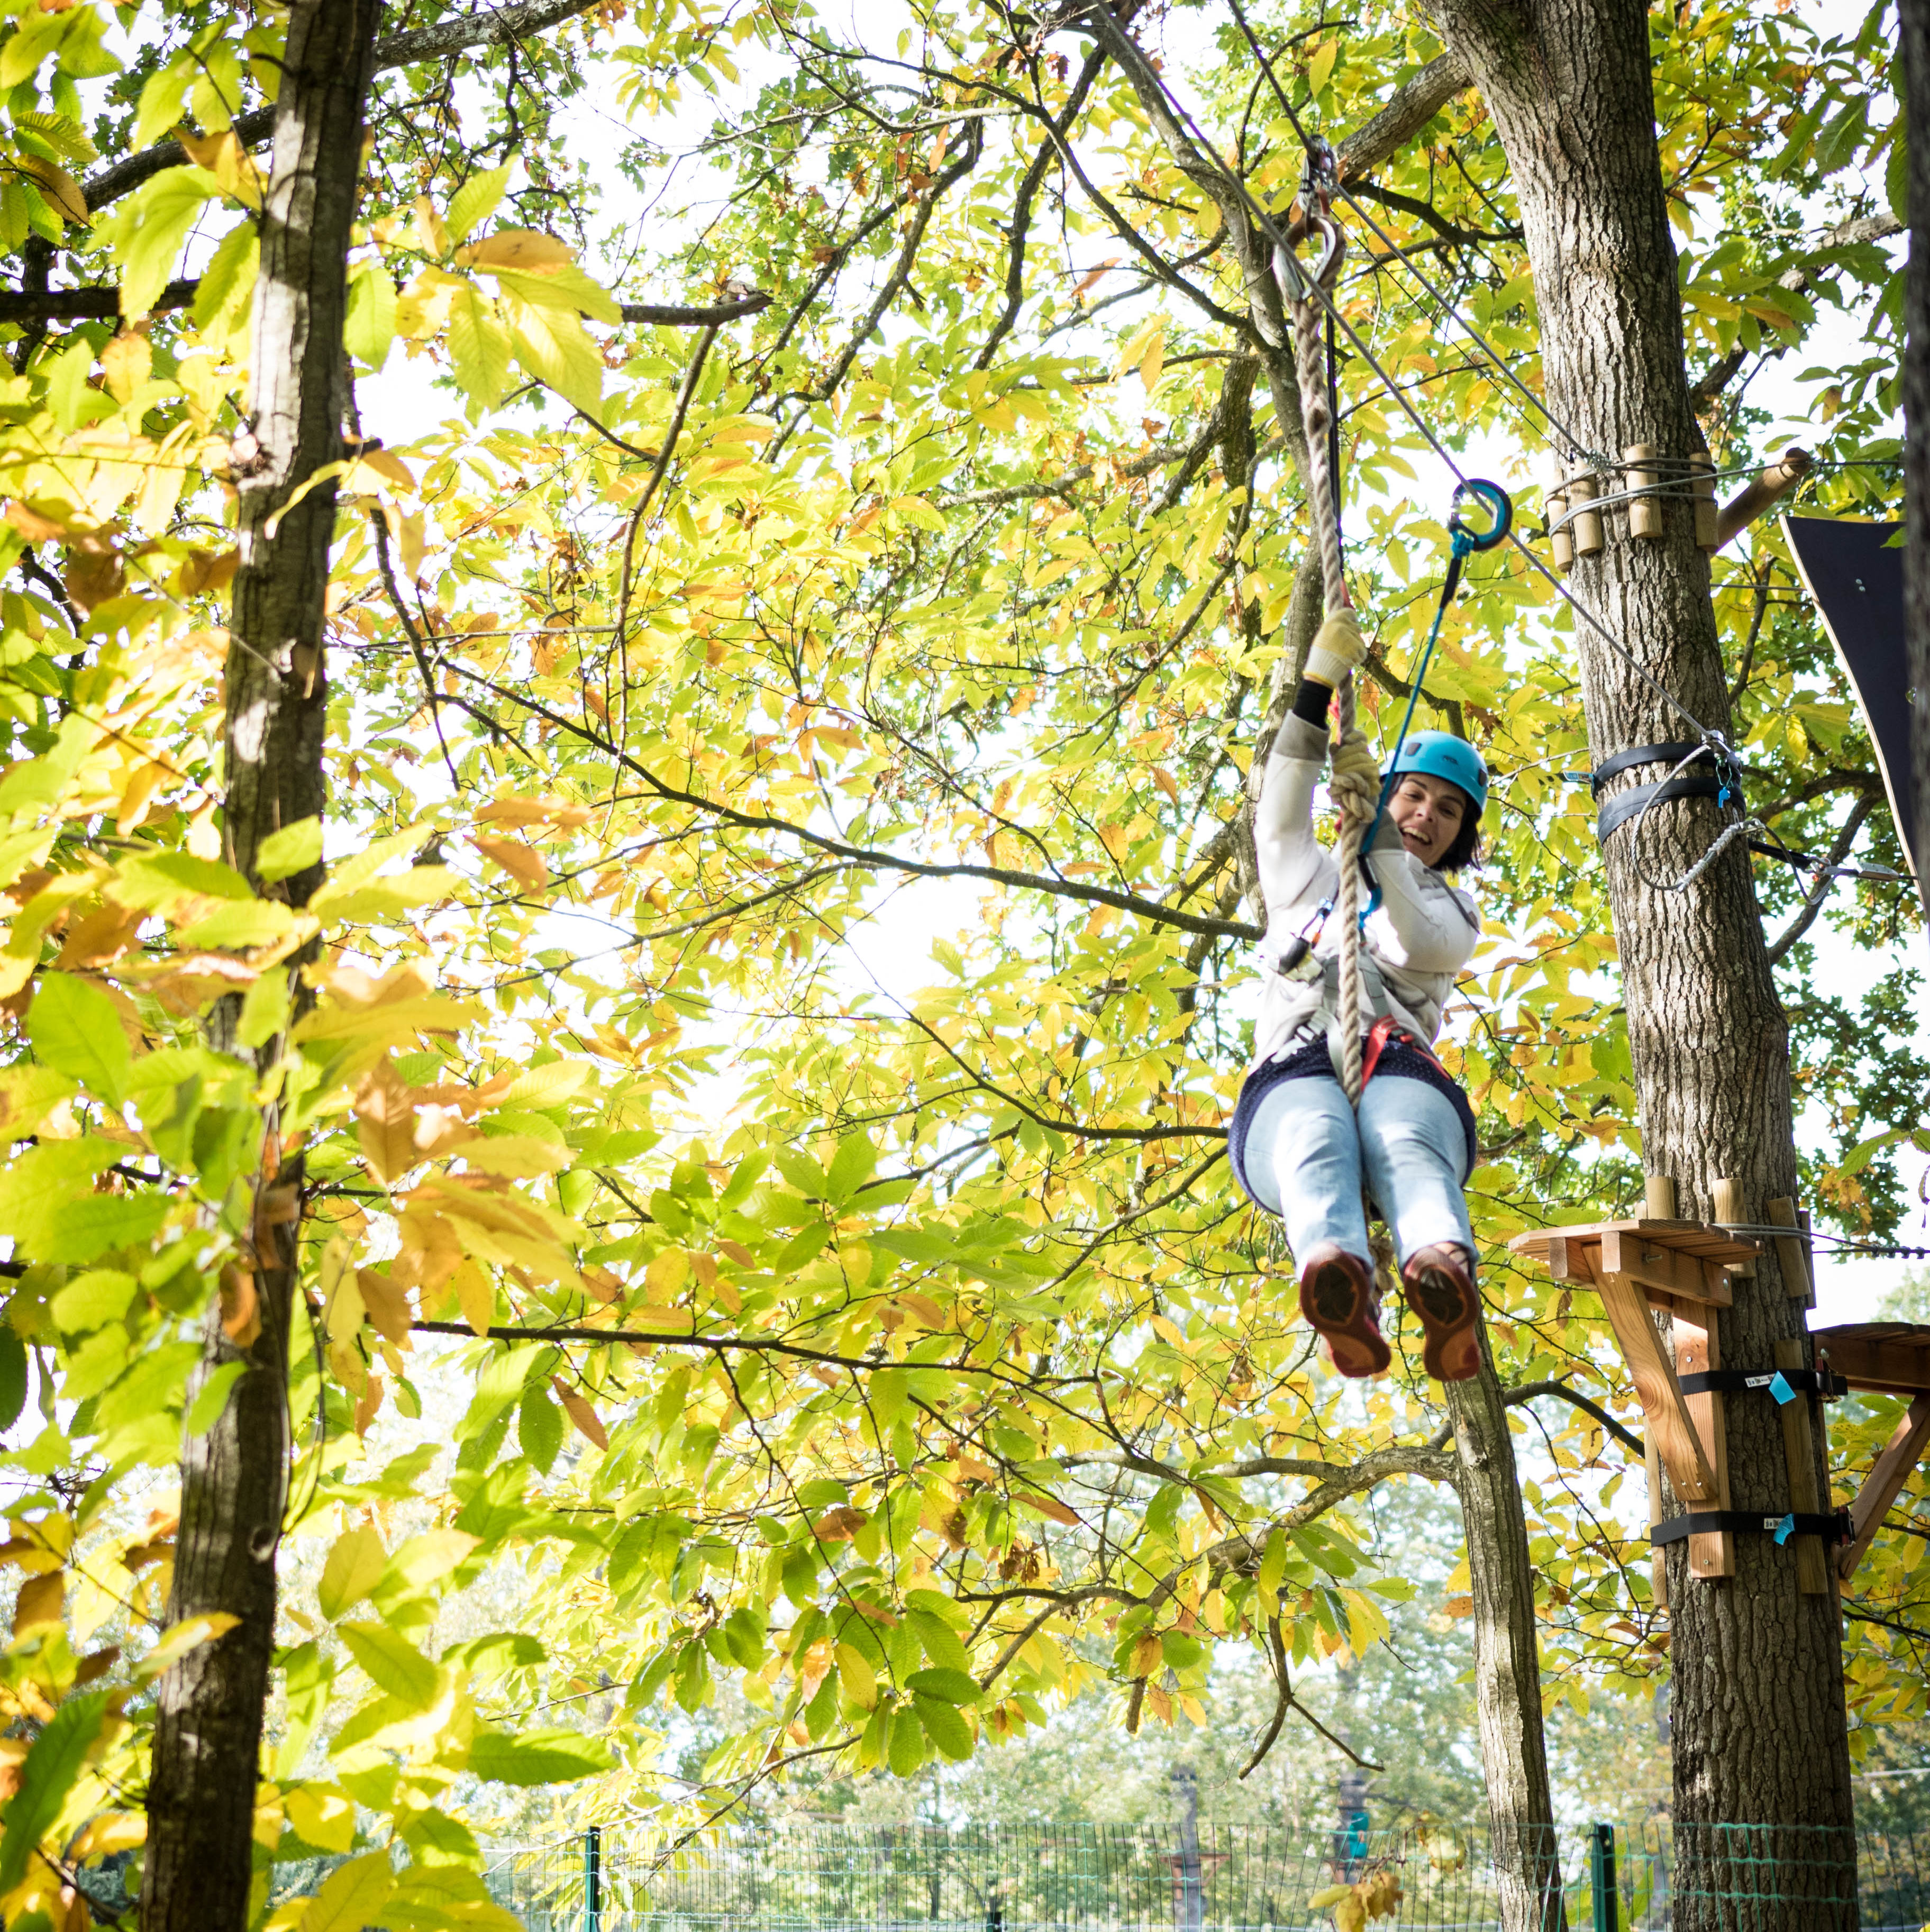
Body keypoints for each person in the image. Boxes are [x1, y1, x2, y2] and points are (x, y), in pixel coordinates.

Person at [1227, 607, 1487, 1382]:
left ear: (1460, 836)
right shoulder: (1307, 879)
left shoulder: (1452, 911)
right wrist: (1315, 690)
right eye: (1413, 796)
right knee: (1313, 1141)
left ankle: (1439, 1267)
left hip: (1398, 1066)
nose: (1425, 816)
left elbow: (1410, 936)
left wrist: (1374, 830)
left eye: (1447, 811)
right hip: (1298, 1062)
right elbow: (1277, 816)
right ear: (1387, 793)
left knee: (1404, 1142)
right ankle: (1337, 1272)